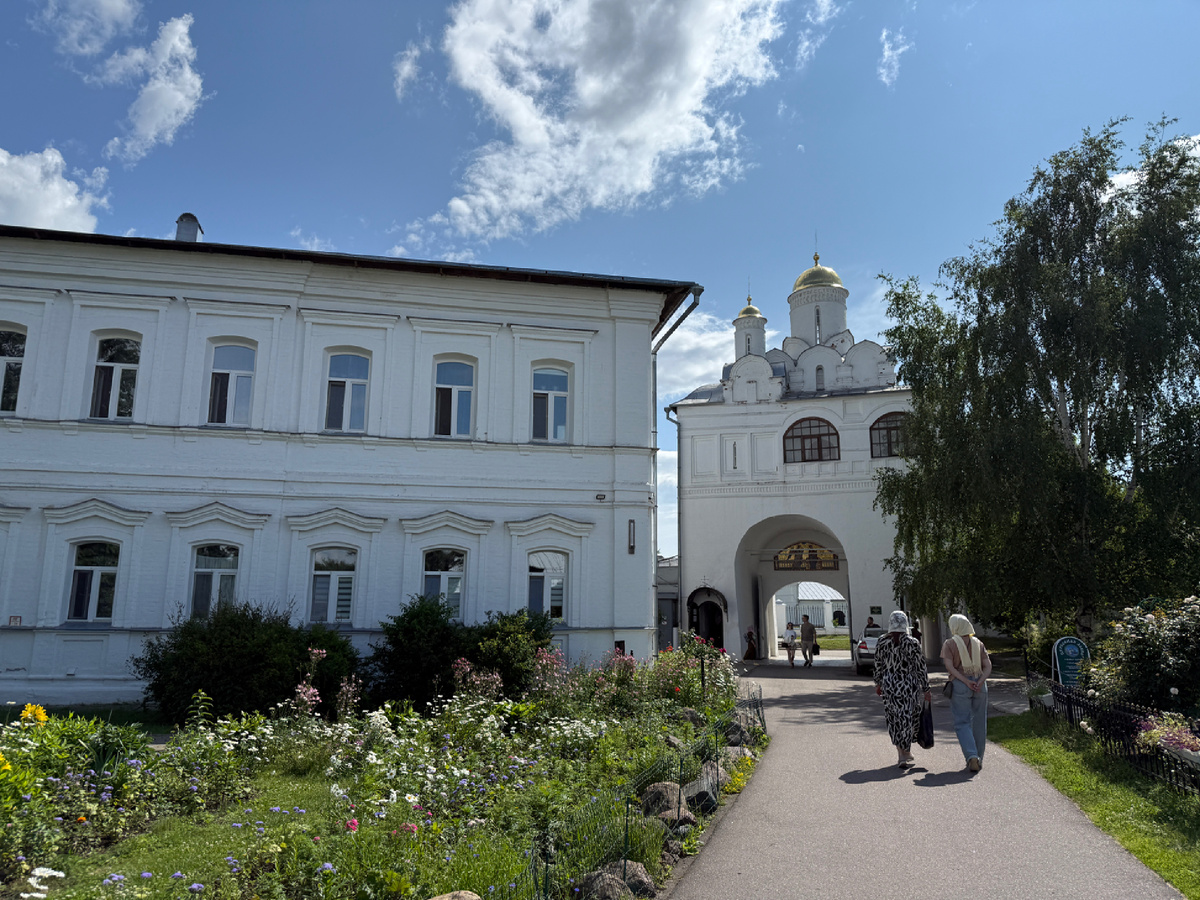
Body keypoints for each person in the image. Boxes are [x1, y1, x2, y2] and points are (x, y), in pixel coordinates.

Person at [873, 610, 931, 768]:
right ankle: (905, 752)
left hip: (890, 685)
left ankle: (902, 753)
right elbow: (920, 667)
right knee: (908, 717)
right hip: (908, 685)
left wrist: (878, 683)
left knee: (894, 719)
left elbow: (878, 664)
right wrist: (926, 688)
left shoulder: (882, 642)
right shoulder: (912, 643)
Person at [941, 613, 992, 773]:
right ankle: (979, 758)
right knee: (979, 721)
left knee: (962, 722)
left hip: (961, 685)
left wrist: (965, 680)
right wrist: (980, 680)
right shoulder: (979, 643)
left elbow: (950, 666)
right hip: (980, 684)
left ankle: (971, 756)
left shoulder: (950, 644)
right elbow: (988, 665)